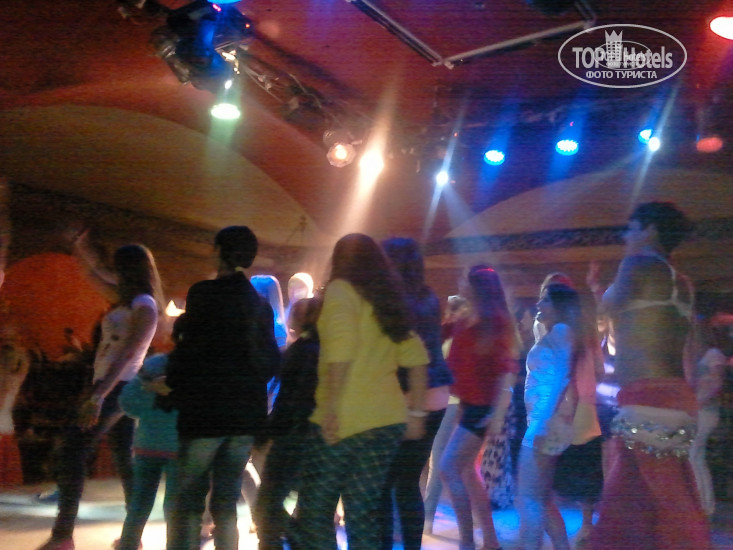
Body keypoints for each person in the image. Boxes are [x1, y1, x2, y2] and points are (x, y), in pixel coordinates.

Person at [287, 233, 428, 550]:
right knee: (362, 513)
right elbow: (417, 358)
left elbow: (341, 349)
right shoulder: (385, 300)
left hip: (345, 419)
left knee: (313, 512)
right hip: (386, 422)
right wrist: (417, 414)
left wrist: (332, 409)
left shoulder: (340, 290)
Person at [591, 201, 711, 549]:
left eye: (631, 228)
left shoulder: (637, 264)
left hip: (647, 396)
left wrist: (598, 291)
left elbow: (605, 311)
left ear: (651, 230)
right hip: (675, 396)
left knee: (657, 501)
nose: (625, 237)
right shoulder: (683, 283)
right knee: (640, 495)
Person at [37, 239, 164, 550]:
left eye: (118, 268)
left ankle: (63, 535)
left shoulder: (145, 304)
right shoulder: (127, 301)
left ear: (129, 270)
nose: (113, 273)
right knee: (123, 459)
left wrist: (98, 395)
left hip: (120, 386)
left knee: (73, 449)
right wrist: (80, 246)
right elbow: (94, 277)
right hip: (113, 385)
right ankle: (131, 536)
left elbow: (129, 353)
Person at [164, 225, 280, 550]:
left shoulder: (203, 293)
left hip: (206, 411)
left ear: (218, 251)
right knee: (226, 503)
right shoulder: (260, 304)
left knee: (188, 500)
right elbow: (271, 361)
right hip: (245, 415)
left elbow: (191, 351)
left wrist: (174, 385)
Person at [379, 237, 454, 550]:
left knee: (383, 484)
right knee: (407, 483)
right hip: (437, 395)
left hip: (410, 395)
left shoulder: (392, 301)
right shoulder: (428, 296)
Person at [440, 265, 518, 550]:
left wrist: (496, 414)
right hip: (468, 404)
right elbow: (438, 335)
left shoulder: (493, 322)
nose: (460, 282)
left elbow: (506, 370)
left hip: (481, 408)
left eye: (465, 279)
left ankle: (466, 541)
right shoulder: (465, 319)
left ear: (476, 287)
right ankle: (491, 541)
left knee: (448, 467)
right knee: (467, 474)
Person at [517, 283, 595, 550]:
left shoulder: (562, 332)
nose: (539, 305)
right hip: (545, 420)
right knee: (539, 498)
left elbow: (560, 378)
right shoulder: (558, 332)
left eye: (546, 300)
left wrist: (541, 423)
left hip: (546, 422)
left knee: (528, 498)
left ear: (560, 306)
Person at [253, 297, 321, 550]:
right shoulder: (318, 348)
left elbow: (291, 398)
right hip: (307, 432)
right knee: (281, 504)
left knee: (267, 504)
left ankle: (283, 543)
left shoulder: (303, 350)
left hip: (292, 434)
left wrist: (269, 431)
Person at [116, 331, 181, 550]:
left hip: (148, 443)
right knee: (175, 506)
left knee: (139, 503)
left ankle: (128, 544)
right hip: (180, 446)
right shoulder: (201, 369)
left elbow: (128, 403)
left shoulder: (154, 364)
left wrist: (149, 392)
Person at [423, 294, 469, 534]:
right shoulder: (443, 334)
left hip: (452, 401)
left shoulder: (462, 338)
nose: (453, 315)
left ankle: (428, 517)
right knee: (433, 458)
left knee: (438, 459)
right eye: (451, 311)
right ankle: (426, 515)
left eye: (457, 311)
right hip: (436, 399)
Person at [689, 315, 729, 517]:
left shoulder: (713, 354)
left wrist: (697, 403)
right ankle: (705, 506)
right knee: (696, 456)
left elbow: (716, 382)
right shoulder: (709, 354)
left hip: (704, 411)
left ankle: (703, 506)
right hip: (704, 410)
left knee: (693, 456)